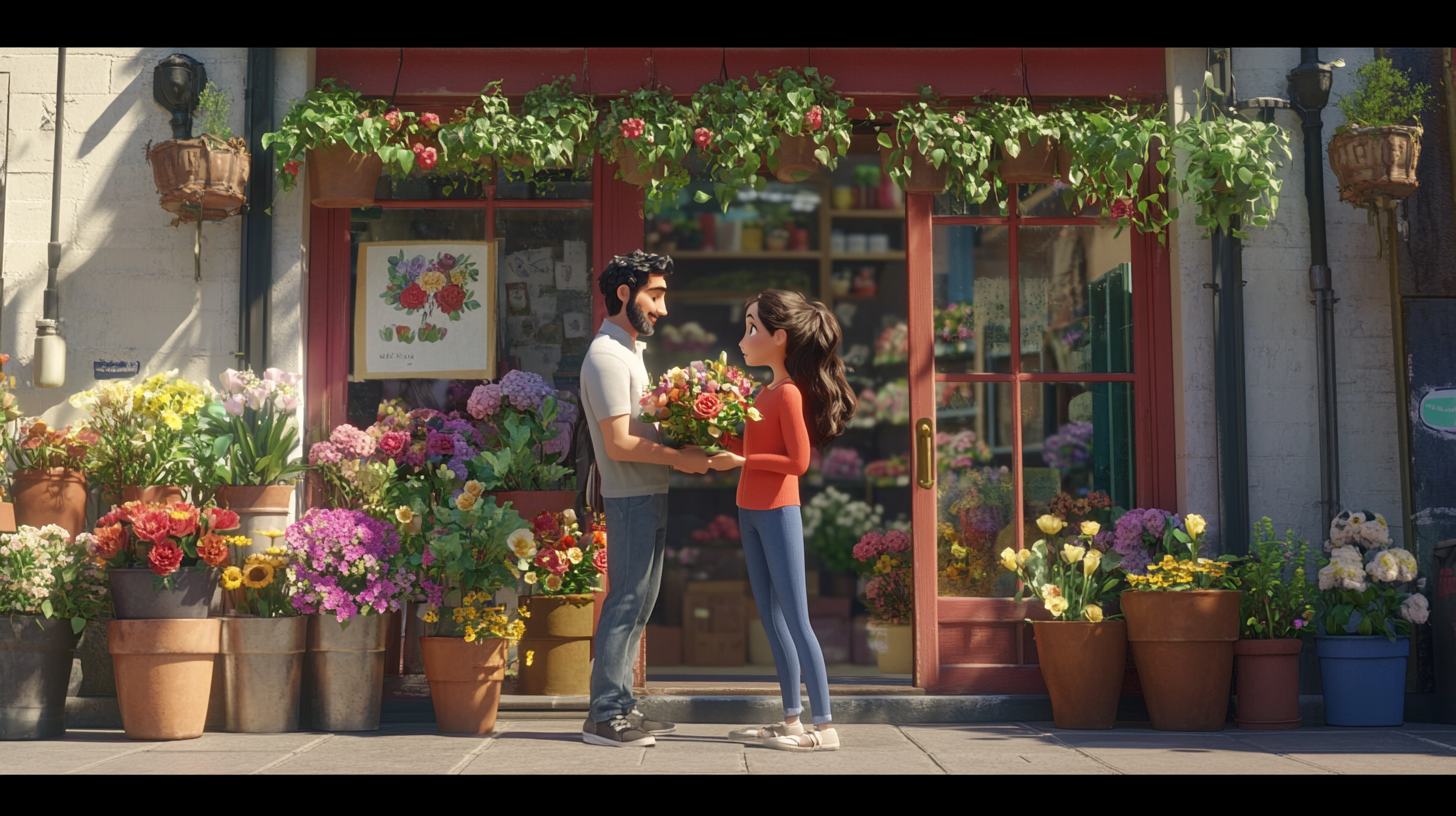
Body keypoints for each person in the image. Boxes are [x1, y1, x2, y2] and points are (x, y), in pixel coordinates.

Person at [711, 289, 857, 752]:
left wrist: (741, 458)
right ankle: (792, 718)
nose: (743, 338)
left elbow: (797, 462)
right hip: (749, 508)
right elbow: (751, 442)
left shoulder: (790, 393)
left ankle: (826, 725)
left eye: (752, 328)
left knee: (797, 618)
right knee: (771, 618)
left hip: (778, 508)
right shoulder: (762, 391)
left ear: (779, 337)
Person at [579, 249, 714, 748]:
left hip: (647, 490)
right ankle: (605, 714)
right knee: (626, 600)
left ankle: (623, 704)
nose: (662, 308)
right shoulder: (608, 356)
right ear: (623, 294)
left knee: (640, 602)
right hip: (630, 494)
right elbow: (618, 442)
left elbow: (640, 430)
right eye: (654, 295)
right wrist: (683, 459)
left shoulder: (628, 349)